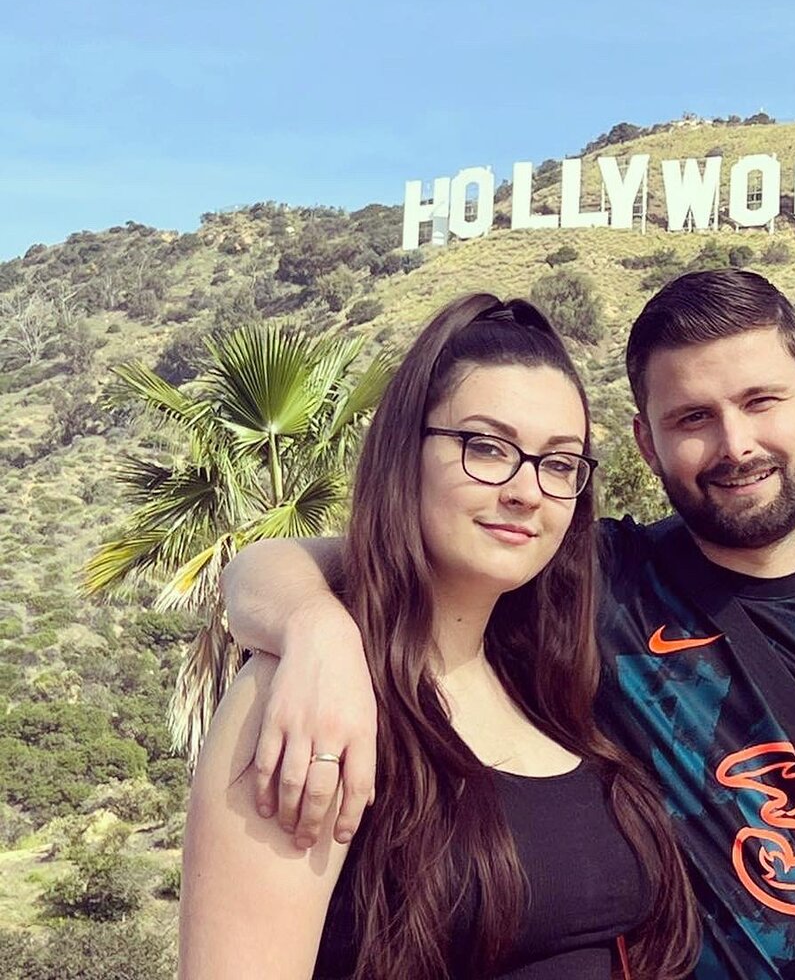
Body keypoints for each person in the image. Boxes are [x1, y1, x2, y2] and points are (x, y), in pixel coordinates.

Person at [224, 270, 795, 980]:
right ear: (648, 445)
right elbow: (291, 562)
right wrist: (314, 632)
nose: (736, 444)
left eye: (762, 402)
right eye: (693, 419)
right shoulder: (588, 577)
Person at [181, 295, 699, 980]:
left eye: (559, 463)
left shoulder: (547, 682)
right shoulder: (307, 703)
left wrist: (312, 619)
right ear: (406, 454)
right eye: (486, 447)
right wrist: (318, 631)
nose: (526, 490)